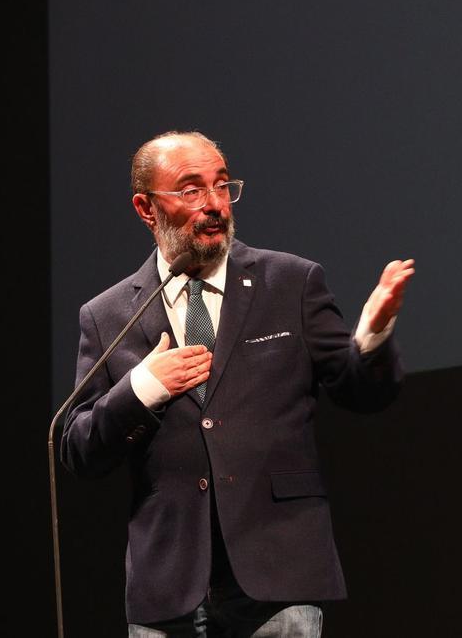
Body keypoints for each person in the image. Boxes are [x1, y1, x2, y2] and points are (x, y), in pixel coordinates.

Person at [61, 131, 415, 636]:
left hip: (277, 575)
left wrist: (373, 334)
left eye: (222, 186)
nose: (213, 205)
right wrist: (140, 390)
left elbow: (362, 392)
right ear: (145, 207)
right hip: (169, 588)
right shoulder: (109, 314)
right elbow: (79, 448)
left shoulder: (290, 282)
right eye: (190, 190)